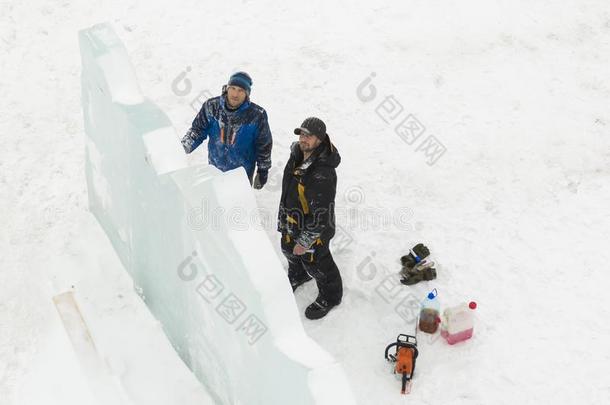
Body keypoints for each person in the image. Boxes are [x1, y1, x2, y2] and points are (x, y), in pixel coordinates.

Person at [278, 117, 343, 319]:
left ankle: (331, 295)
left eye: (309, 136)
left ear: (320, 140)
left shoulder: (322, 172)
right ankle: (298, 275)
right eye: (302, 134)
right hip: (292, 220)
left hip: (316, 229)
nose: (303, 139)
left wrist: (306, 241)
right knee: (288, 248)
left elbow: (321, 216)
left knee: (316, 261)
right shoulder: (297, 154)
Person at [181, 71, 272, 188]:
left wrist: (263, 170)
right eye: (233, 88)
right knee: (215, 201)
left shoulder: (257, 115)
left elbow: (264, 145)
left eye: (240, 90)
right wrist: (183, 148)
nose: (235, 94)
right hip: (215, 169)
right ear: (227, 88)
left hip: (241, 175)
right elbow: (197, 131)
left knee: (237, 204)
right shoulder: (211, 107)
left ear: (247, 94)